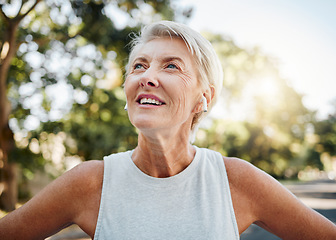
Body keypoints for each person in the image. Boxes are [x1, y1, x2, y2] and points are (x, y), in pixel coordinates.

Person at [0, 20, 335, 240]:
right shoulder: (91, 182)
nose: (147, 76)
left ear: (203, 98)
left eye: (171, 66)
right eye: (139, 66)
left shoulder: (236, 180)